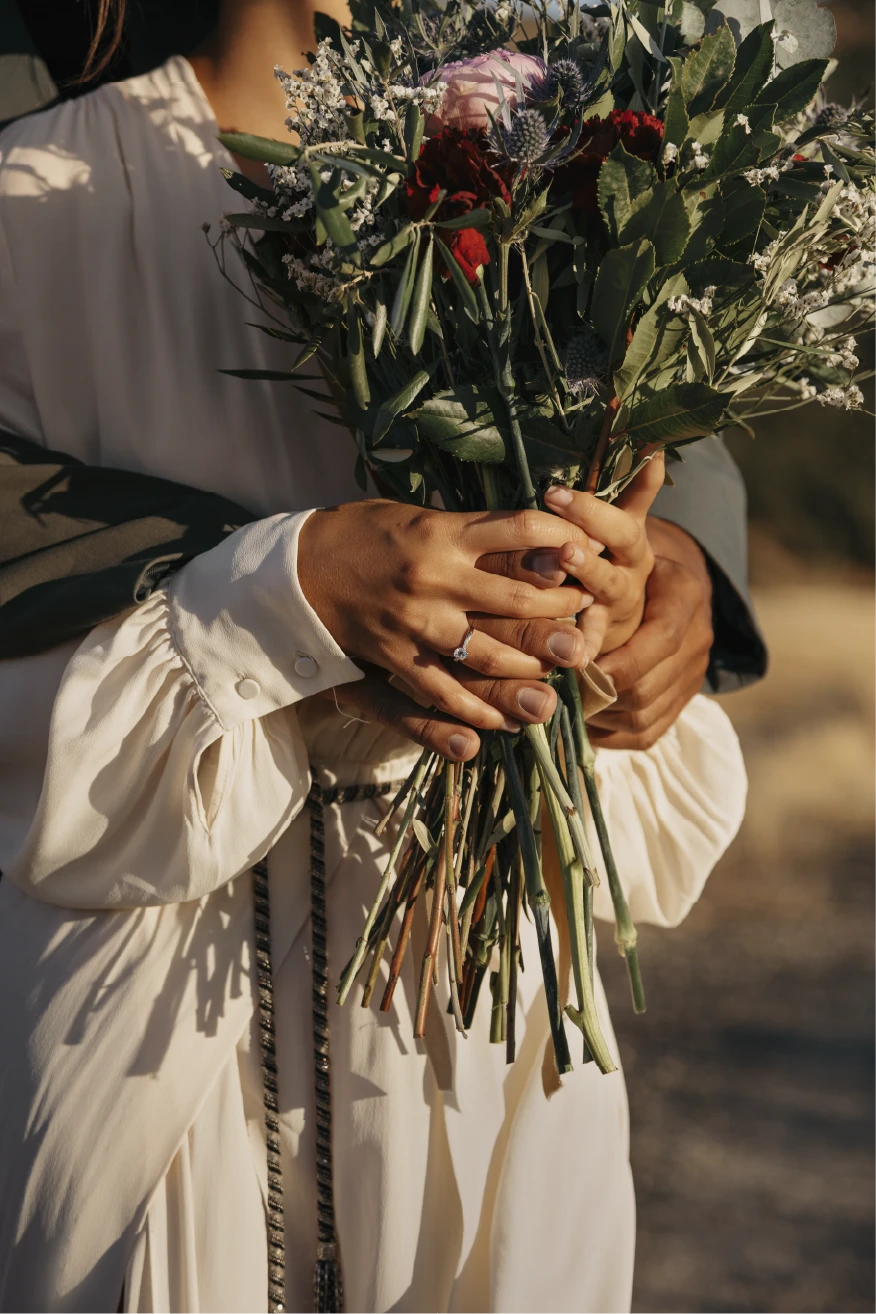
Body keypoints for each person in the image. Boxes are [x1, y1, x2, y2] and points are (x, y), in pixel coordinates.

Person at [0, 3, 749, 1312]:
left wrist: (645, 585)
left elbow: (652, 504)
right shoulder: (36, 204)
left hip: (487, 1063)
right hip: (150, 1073)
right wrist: (278, 597)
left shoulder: (564, 211)